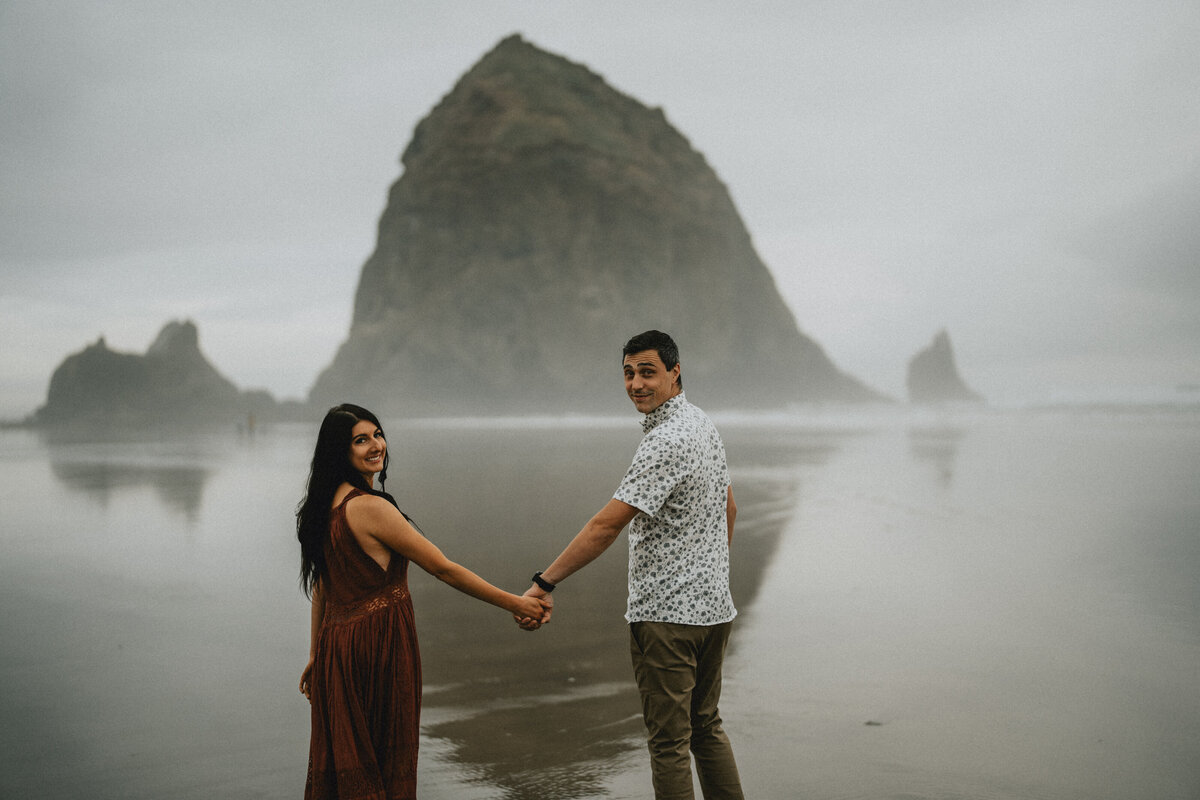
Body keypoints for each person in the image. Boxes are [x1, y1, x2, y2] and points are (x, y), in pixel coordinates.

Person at [518, 330, 744, 800]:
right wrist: (708, 574)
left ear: (674, 372)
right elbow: (730, 509)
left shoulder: (665, 441)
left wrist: (545, 581)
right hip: (714, 612)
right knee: (706, 728)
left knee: (669, 745)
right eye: (628, 373)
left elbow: (606, 526)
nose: (636, 384)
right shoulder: (703, 424)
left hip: (666, 619)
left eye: (647, 372)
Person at [297, 403, 549, 800]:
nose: (375, 445)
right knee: (387, 759)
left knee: (348, 763)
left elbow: (322, 588)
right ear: (338, 451)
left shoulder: (319, 508)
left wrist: (316, 653)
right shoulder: (370, 508)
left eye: (377, 434)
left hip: (336, 651)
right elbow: (443, 569)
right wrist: (516, 603)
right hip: (379, 648)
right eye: (360, 440)